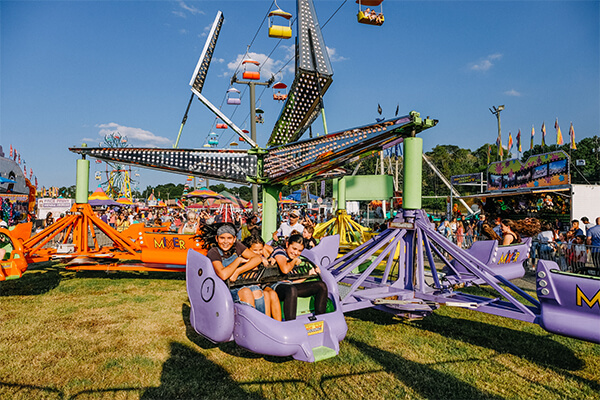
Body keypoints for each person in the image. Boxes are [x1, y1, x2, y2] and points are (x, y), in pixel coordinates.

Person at [205, 224, 270, 315]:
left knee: (257, 291)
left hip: (239, 284)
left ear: (234, 239)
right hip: (224, 289)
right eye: (222, 238)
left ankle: (261, 322)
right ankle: (249, 325)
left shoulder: (238, 246)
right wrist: (238, 260)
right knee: (246, 292)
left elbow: (257, 258)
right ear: (216, 239)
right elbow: (223, 275)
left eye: (229, 238)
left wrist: (238, 271)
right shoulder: (214, 252)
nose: (225, 241)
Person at [270, 234, 328, 321]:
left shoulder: (293, 258)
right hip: (276, 285)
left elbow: (293, 282)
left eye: (299, 250)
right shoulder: (279, 251)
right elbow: (285, 270)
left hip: (289, 285)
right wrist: (294, 261)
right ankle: (291, 323)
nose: (296, 253)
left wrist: (310, 274)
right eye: (294, 248)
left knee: (321, 286)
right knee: (291, 289)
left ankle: (320, 319)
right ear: (287, 245)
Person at [242, 235, 281, 321]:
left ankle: (279, 323)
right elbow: (246, 277)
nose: (259, 252)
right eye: (255, 250)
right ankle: (267, 322)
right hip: (250, 285)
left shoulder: (263, 258)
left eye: (260, 250)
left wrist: (271, 261)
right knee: (266, 295)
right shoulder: (246, 260)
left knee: (273, 294)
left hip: (262, 284)